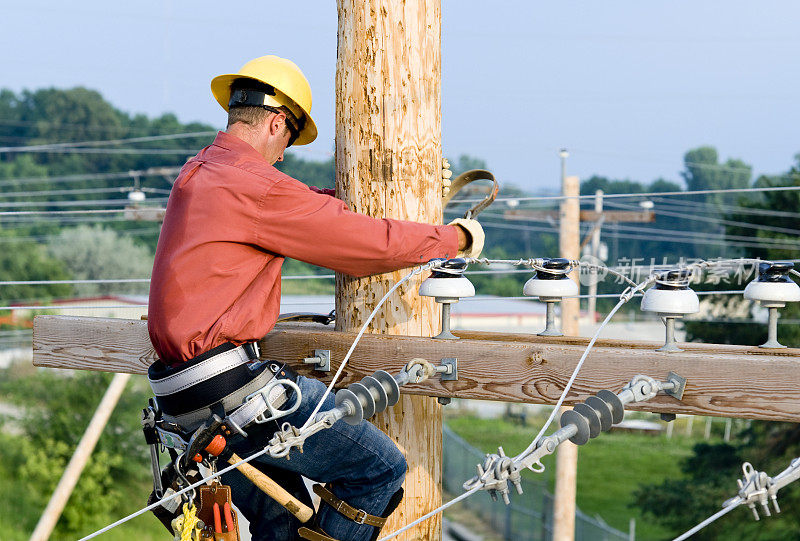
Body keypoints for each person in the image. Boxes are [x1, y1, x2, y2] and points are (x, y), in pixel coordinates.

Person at [146, 55, 484, 541]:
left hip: (182, 401)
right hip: (233, 391)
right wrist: (453, 238)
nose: (283, 154)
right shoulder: (256, 189)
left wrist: (363, 201)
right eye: (286, 140)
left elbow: (297, 209)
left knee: (279, 521)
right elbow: (365, 248)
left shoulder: (202, 172)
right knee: (379, 472)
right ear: (277, 121)